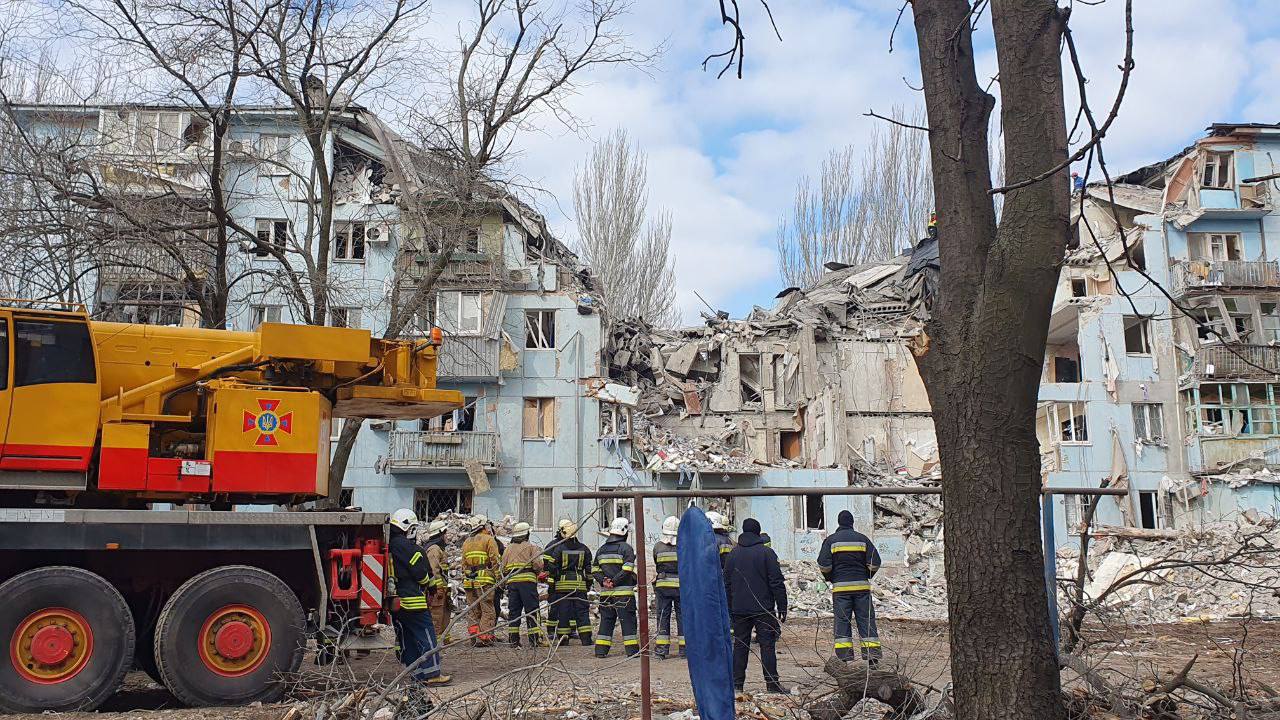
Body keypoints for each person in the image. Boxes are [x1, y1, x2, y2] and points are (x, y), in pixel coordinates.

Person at [723, 518, 787, 694]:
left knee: (740, 645)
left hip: (739, 609)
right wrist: (782, 605)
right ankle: (772, 684)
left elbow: (726, 584)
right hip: (763, 608)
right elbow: (776, 582)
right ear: (758, 532)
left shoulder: (733, 555)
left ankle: (737, 685)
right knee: (767, 645)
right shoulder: (767, 553)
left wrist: (730, 607)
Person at [388, 509, 451, 686]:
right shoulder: (409, 548)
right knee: (426, 635)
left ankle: (417, 674)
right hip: (413, 600)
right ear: (411, 527)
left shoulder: (390, 544)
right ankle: (432, 674)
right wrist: (430, 586)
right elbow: (420, 573)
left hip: (396, 601)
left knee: (407, 638)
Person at [817, 510, 882, 665]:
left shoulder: (831, 541)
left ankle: (845, 658)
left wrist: (831, 577)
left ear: (839, 523)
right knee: (866, 621)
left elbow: (823, 564)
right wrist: (866, 574)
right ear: (852, 523)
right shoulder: (862, 539)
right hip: (862, 588)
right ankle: (872, 658)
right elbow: (875, 562)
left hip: (841, 590)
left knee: (842, 622)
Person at [592, 517, 639, 657]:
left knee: (606, 621)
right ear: (625, 531)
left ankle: (600, 651)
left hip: (606, 594)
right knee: (628, 622)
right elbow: (627, 570)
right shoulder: (626, 548)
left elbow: (594, 570)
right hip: (623, 595)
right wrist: (614, 581)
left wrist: (604, 581)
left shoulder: (601, 550)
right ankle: (632, 652)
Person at [545, 521, 594, 646]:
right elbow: (589, 571)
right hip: (579, 585)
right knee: (582, 612)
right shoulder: (584, 548)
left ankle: (563, 640)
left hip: (562, 586)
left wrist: (552, 584)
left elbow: (552, 568)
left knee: (564, 612)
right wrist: (588, 584)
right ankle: (586, 639)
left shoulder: (558, 548)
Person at [500, 521, 544, 646]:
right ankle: (534, 640)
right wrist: (538, 571)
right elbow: (537, 564)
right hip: (527, 584)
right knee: (532, 610)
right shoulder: (531, 547)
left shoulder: (508, 549)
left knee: (514, 612)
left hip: (512, 583)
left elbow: (503, 568)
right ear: (527, 534)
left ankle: (513, 641)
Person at [460, 514, 501, 646]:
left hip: (469, 581)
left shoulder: (466, 542)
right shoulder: (489, 539)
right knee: (487, 609)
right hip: (484, 581)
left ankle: (474, 636)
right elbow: (495, 560)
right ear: (483, 526)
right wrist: (500, 579)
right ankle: (484, 638)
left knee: (473, 609)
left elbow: (463, 564)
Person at [652, 516, 684, 659]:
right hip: (681, 586)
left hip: (663, 586)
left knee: (662, 617)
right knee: (683, 617)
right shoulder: (684, 546)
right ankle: (684, 650)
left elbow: (656, 563)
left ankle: (661, 650)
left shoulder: (658, 546)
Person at [540, 519, 573, 640]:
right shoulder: (552, 546)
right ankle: (551, 629)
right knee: (554, 606)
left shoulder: (572, 545)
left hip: (567, 581)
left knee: (570, 606)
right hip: (555, 580)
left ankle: (570, 629)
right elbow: (546, 565)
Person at [423, 520, 453, 644]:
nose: (447, 536)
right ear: (440, 534)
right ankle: (434, 641)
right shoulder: (434, 549)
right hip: (437, 589)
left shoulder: (439, 549)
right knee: (436, 615)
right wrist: (438, 588)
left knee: (444, 614)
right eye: (445, 533)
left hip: (443, 588)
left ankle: (444, 639)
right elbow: (433, 570)